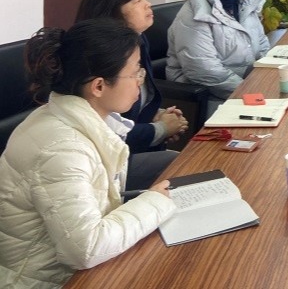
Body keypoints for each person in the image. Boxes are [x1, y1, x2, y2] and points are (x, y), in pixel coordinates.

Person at [0, 19, 175, 288]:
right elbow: (87, 249)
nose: (139, 82)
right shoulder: (61, 149)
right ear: (99, 86)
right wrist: (155, 202)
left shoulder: (78, 119)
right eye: (135, 73)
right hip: (46, 281)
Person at [75, 0, 188, 189]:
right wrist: (160, 129)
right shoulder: (98, 58)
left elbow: (135, 104)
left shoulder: (138, 41)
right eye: (138, 1)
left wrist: (158, 115)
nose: (148, 4)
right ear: (113, 10)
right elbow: (107, 131)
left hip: (133, 149)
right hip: (106, 164)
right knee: (179, 165)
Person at [167, 0, 270, 110]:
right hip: (209, 97)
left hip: (245, 88)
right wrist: (250, 92)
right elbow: (204, 71)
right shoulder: (193, 18)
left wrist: (269, 80)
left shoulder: (245, 3)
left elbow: (262, 45)